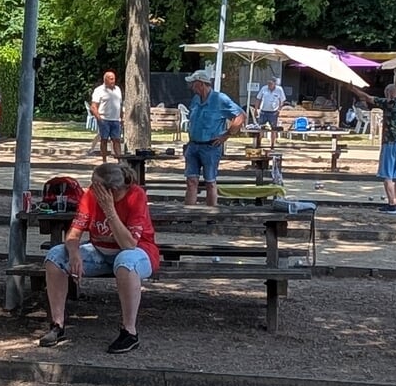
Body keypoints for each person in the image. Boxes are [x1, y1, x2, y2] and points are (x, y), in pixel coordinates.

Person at [38, 161, 158, 354]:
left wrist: (110, 210)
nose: (90, 187)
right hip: (100, 252)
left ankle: (129, 331)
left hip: (137, 253)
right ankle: (57, 325)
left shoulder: (136, 196)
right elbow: (74, 233)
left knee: (125, 261)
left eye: (95, 184)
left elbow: (129, 244)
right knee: (55, 256)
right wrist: (74, 253)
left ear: (110, 190)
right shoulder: (90, 196)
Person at [348, 82, 396, 214]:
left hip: (390, 142)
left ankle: (392, 204)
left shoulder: (387, 104)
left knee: (387, 176)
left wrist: (353, 89)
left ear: (388, 93)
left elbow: (367, 97)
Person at [182, 69, 244, 206]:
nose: (191, 87)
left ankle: (211, 215)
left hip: (211, 146)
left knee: (210, 182)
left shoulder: (219, 99)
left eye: (193, 84)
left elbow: (240, 115)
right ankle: (187, 217)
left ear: (201, 84)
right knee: (191, 181)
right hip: (193, 145)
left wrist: (226, 135)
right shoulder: (196, 99)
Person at [88, 70, 123, 162]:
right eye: (111, 79)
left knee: (117, 140)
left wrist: (122, 117)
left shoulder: (118, 90)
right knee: (104, 140)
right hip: (104, 119)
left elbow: (119, 105)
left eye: (114, 79)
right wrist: (99, 118)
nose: (113, 81)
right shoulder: (99, 90)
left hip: (115, 120)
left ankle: (119, 160)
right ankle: (104, 160)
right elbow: (93, 107)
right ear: (105, 80)